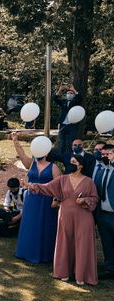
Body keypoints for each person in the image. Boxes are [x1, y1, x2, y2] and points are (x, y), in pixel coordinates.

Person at [25, 154, 98, 285]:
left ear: (80, 165)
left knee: (82, 244)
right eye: (69, 162)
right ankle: (63, 272)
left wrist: (84, 200)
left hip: (83, 217)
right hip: (65, 215)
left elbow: (94, 199)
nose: (70, 164)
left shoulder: (89, 181)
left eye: (73, 162)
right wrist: (31, 185)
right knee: (65, 242)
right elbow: (47, 187)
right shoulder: (62, 179)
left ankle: (81, 275)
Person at [12, 132, 61, 264]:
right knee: (30, 225)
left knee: (44, 226)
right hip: (32, 199)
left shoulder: (54, 167)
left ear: (46, 153)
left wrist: (55, 200)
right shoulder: (31, 164)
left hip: (46, 200)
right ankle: (26, 251)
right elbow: (22, 155)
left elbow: (58, 185)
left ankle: (44, 254)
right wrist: (15, 141)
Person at [94, 144, 114, 279]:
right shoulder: (100, 172)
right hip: (103, 215)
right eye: (104, 155)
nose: (106, 157)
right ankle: (109, 268)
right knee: (107, 244)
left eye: (109, 154)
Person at [54, 83, 82, 154]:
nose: (69, 94)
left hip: (72, 125)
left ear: (73, 95)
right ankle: (61, 155)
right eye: (68, 93)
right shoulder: (63, 102)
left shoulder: (75, 102)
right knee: (62, 141)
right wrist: (60, 90)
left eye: (71, 93)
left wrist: (74, 90)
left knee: (72, 141)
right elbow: (55, 99)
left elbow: (80, 98)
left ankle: (71, 155)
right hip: (63, 124)